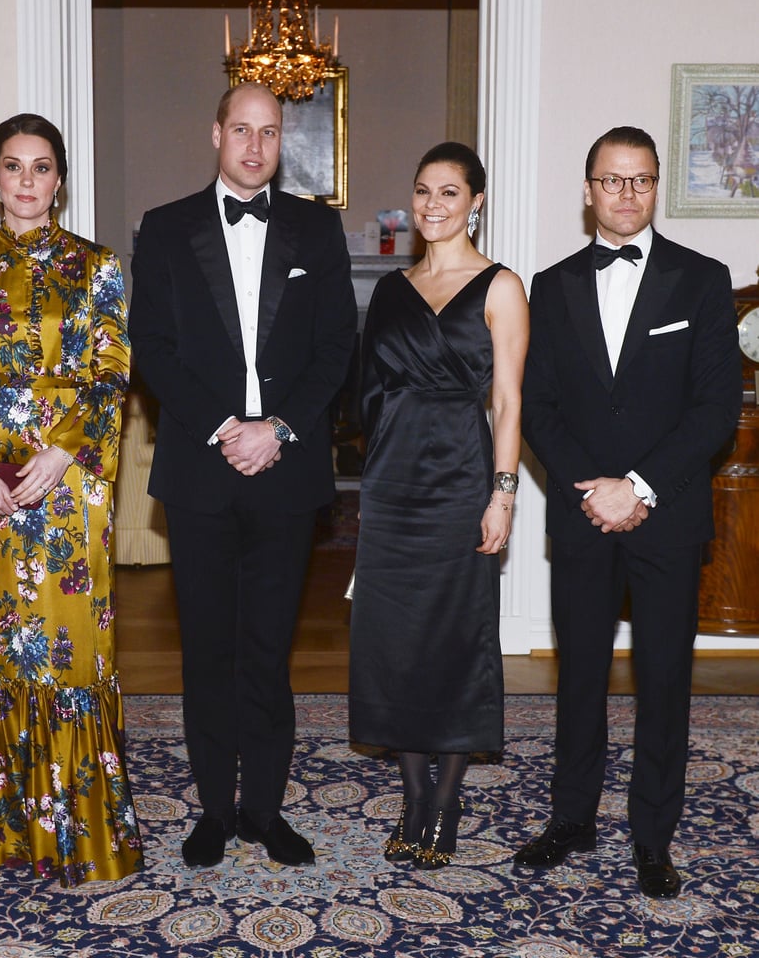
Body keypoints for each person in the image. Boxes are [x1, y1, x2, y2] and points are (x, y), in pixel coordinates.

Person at [128, 82, 356, 869]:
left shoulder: (314, 228)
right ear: (214, 132)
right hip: (199, 468)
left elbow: (336, 348)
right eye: (241, 130)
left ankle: (264, 809)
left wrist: (278, 429)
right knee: (207, 651)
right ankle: (213, 814)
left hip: (286, 474)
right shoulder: (164, 230)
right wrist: (228, 427)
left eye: (268, 132)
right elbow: (151, 347)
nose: (254, 146)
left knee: (267, 649)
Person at [516, 126, 742, 898]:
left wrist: (638, 487)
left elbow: (715, 409)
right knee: (578, 676)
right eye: (610, 181)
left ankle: (653, 837)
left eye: (639, 180)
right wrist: (595, 488)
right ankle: (571, 819)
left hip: (667, 515)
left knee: (663, 679)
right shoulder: (550, 285)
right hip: (581, 514)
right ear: (587, 191)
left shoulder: (702, 280)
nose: (625, 194)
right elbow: (537, 406)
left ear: (654, 187)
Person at [0, 113, 143, 886]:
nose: (27, 180)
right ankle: (5, 830)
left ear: (60, 180)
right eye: (14, 166)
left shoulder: (99, 267)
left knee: (72, 650)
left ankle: (82, 830)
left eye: (42, 167)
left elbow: (111, 373)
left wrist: (65, 452)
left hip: (71, 484)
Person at [349, 142, 529, 868]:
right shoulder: (390, 289)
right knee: (392, 644)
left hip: (460, 477)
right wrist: (368, 487)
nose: (432, 205)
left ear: (475, 201)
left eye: (449, 192)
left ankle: (447, 799)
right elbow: (367, 394)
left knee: (455, 638)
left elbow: (510, 401)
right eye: (422, 191)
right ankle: (413, 795)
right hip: (391, 483)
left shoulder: (500, 286)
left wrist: (503, 494)